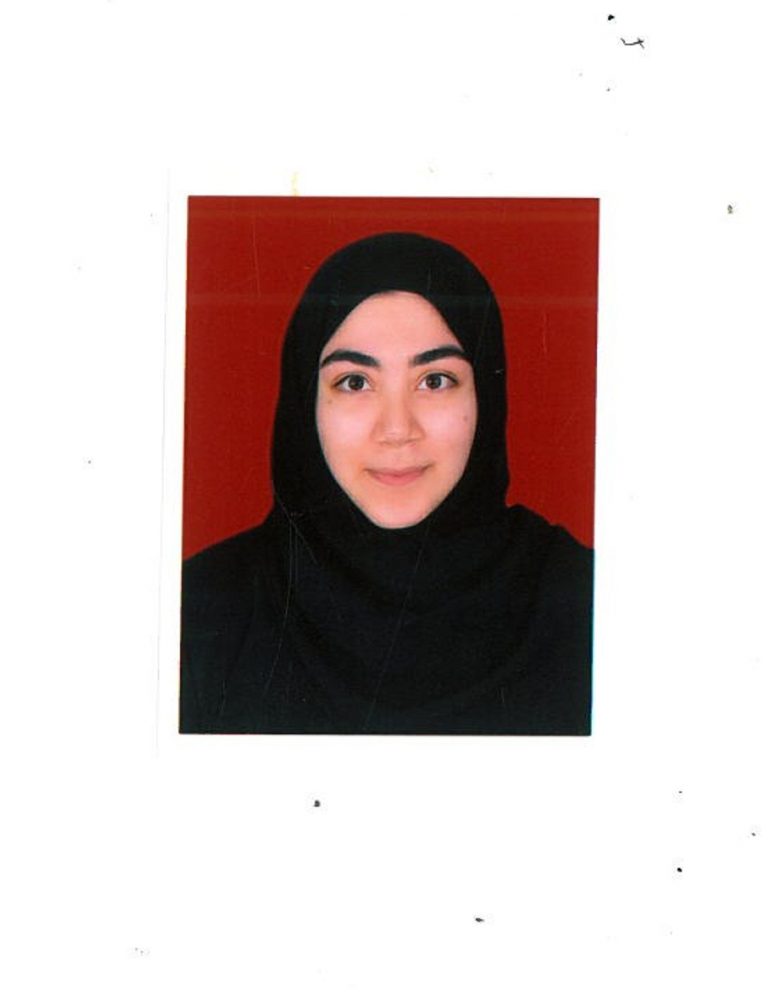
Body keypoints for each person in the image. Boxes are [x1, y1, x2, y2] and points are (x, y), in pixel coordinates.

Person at [180, 232, 592, 735]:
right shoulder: (200, 609)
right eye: (355, 382)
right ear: (305, 403)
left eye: (435, 380)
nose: (397, 429)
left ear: (486, 393)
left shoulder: (584, 597)